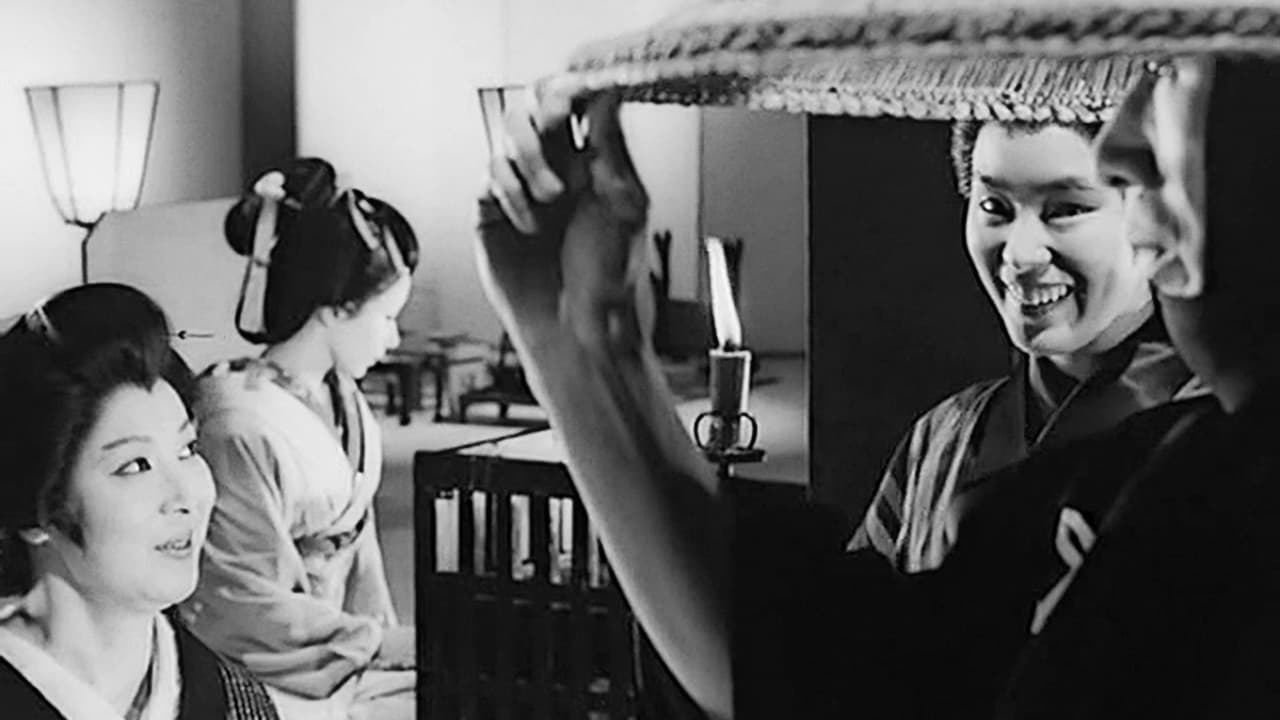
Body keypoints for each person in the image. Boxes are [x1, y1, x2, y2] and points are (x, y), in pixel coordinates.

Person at [478, 43, 1280, 720]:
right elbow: (857, 666)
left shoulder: (1202, 471)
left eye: (1182, 82)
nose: (1126, 147)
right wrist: (585, 339)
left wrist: (593, 346)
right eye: (994, 206)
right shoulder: (953, 439)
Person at [847, 118, 1203, 570]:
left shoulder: (1221, 439)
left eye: (1066, 209)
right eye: (994, 206)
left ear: (1157, 214)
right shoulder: (942, 436)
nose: (1019, 254)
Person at [180, 158, 419, 720]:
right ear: (334, 310)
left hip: (339, 651)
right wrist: (373, 643)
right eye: (386, 318)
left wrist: (377, 643)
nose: (393, 339)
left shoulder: (346, 401)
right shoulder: (236, 421)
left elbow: (362, 558)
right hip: (262, 668)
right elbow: (237, 596)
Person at [0, 283, 279, 719]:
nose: (187, 497)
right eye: (135, 466)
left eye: (187, 450)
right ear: (40, 511)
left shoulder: (239, 704)